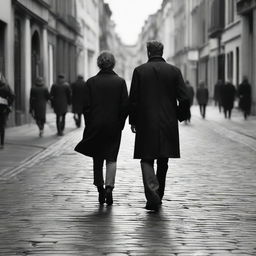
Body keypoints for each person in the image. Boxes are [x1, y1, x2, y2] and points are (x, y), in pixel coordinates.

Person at [129, 41, 190, 211]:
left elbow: (133, 101)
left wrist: (133, 120)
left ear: (148, 52)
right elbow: (184, 98)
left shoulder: (139, 71)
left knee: (147, 158)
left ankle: (152, 194)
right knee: (163, 160)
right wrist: (179, 115)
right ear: (162, 52)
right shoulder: (174, 71)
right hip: (167, 122)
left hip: (146, 122)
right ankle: (159, 194)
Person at [75, 51, 128, 206]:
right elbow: (125, 106)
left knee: (97, 158)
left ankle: (100, 189)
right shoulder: (120, 82)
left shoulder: (91, 82)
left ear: (99, 63)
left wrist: (90, 123)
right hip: (113, 126)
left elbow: (86, 107)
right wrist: (120, 123)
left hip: (95, 126)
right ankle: (109, 188)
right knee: (111, 158)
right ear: (113, 64)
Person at [0, 73, 14, 149]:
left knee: (2, 126)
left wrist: (7, 102)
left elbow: (12, 96)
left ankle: (2, 143)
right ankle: (1, 143)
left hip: (3, 109)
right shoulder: (6, 86)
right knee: (2, 126)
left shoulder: (6, 86)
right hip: (4, 109)